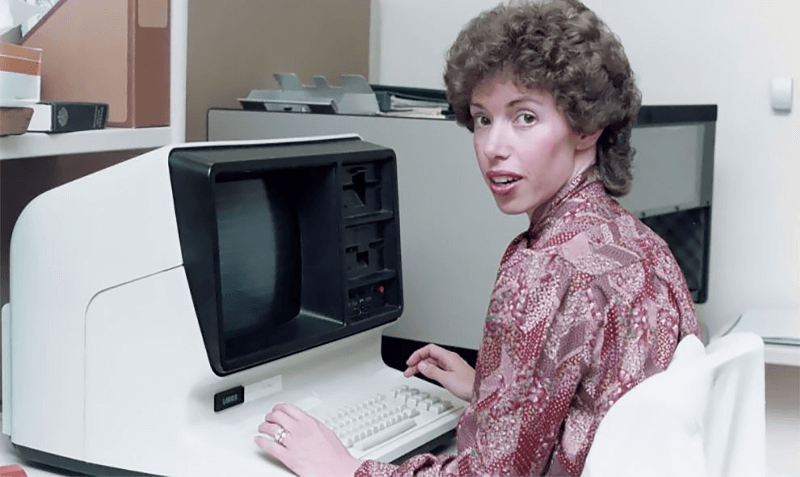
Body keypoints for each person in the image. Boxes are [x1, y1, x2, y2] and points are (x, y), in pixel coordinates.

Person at [254, 0, 701, 475]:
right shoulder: (641, 243)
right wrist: (497, 387)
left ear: (587, 127)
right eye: (482, 119)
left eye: (524, 117)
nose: (492, 147)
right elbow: (609, 401)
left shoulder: (545, 269)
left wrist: (346, 469)